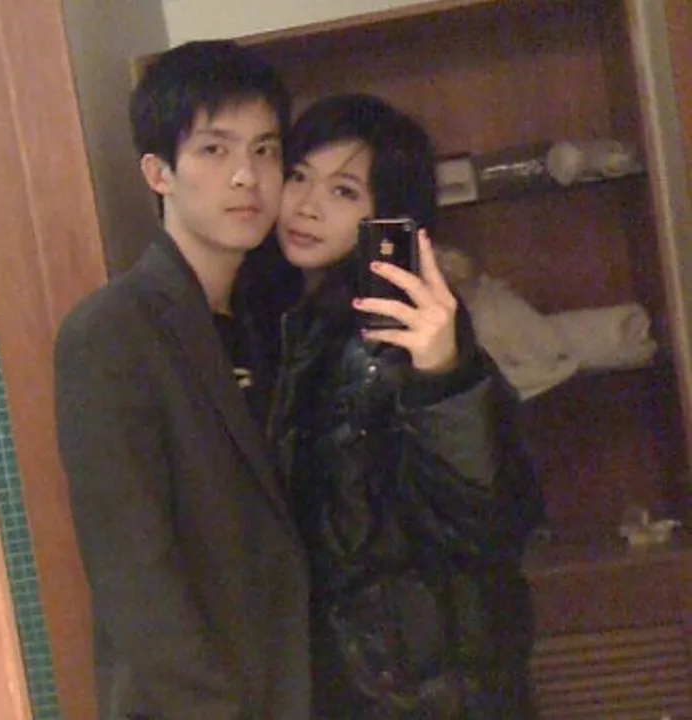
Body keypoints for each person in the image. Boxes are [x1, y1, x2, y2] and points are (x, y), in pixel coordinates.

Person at [246, 94, 545, 718]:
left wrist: (444, 377)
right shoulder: (295, 329)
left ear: (388, 217)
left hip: (427, 693)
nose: (306, 205)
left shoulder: (408, 341)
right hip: (359, 684)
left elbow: (490, 523)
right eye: (299, 176)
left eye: (344, 191)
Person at [54, 41, 310, 720]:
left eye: (265, 150)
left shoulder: (267, 322)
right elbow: (135, 577)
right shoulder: (112, 331)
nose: (246, 176)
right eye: (214, 150)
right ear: (158, 172)